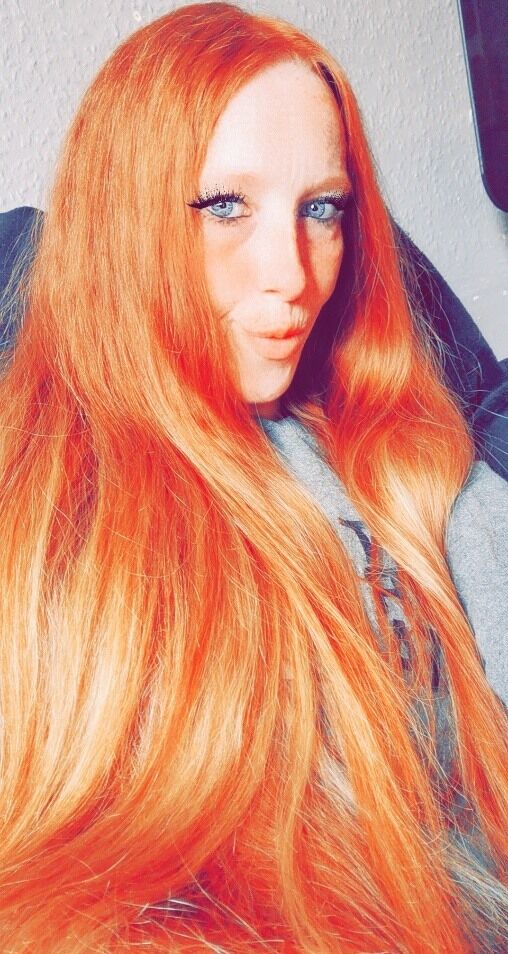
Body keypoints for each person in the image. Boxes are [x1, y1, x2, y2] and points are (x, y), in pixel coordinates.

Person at [0, 3, 506, 951]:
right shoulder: (42, 501)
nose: (293, 276)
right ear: (123, 218)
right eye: (225, 206)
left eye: (322, 210)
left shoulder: (415, 468)